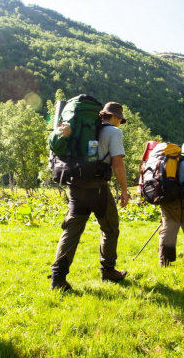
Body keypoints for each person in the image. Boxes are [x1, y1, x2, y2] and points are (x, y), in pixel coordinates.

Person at [50, 102, 129, 290]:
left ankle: (58, 278)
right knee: (110, 228)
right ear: (116, 117)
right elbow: (117, 162)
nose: (120, 123)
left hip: (75, 186)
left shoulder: (85, 128)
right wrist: (124, 190)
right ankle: (108, 271)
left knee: (71, 231)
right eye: (120, 120)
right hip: (97, 188)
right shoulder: (114, 132)